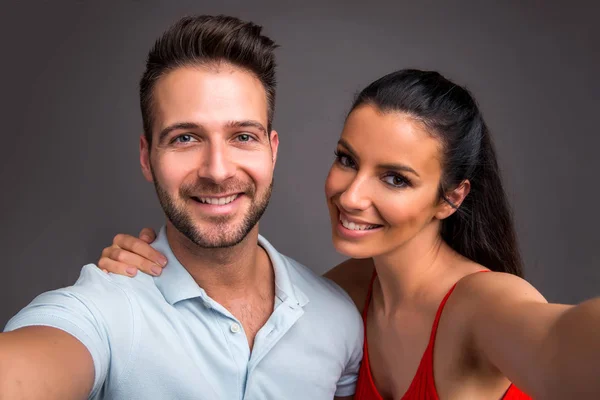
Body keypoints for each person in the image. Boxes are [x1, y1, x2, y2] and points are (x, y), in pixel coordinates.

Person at [103, 69, 600, 399]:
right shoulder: (343, 294)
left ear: (452, 197)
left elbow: (561, 345)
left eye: (395, 178)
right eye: (347, 160)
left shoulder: (482, 304)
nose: (352, 195)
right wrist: (149, 266)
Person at [0, 15, 363, 400]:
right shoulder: (101, 311)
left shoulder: (337, 318)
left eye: (243, 136)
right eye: (185, 138)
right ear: (146, 157)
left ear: (272, 150)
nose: (217, 171)